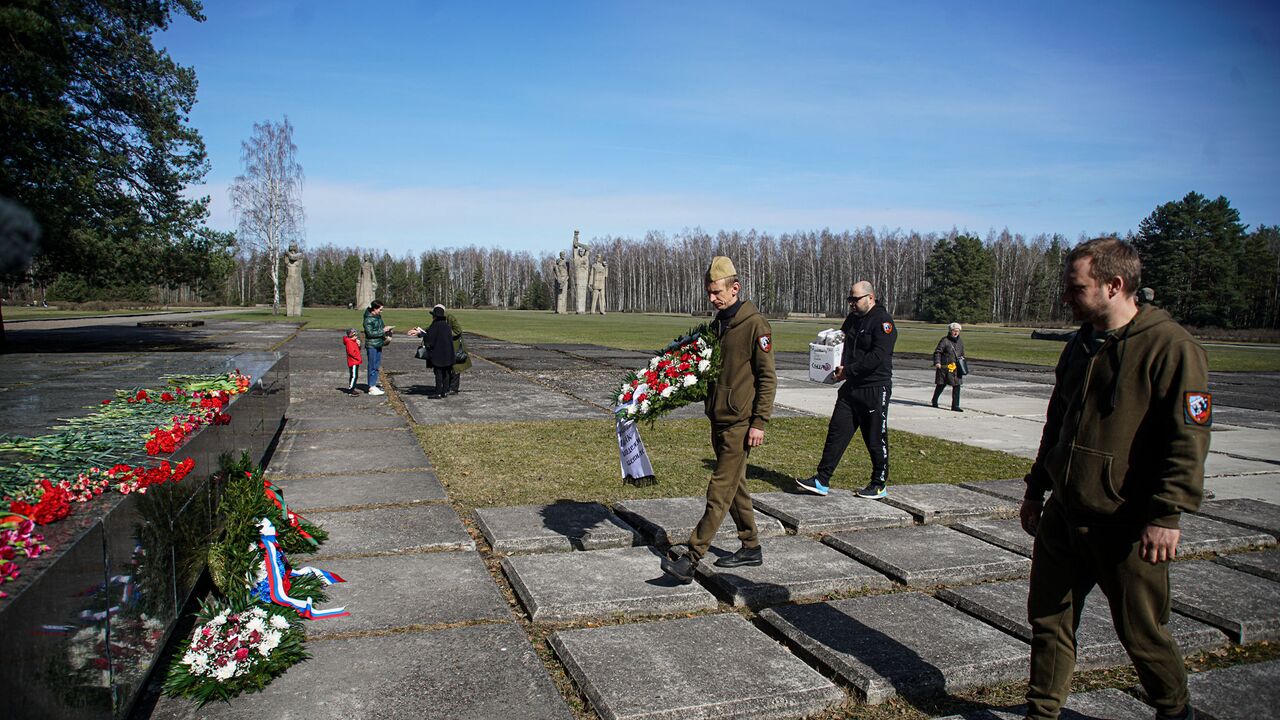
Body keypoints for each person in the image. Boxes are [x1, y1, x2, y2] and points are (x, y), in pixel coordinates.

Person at [1019, 237, 1209, 720]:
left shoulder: (1171, 347)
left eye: (1076, 288)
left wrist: (1167, 514)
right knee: (1048, 621)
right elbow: (1057, 422)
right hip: (1065, 513)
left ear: (1114, 285)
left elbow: (1187, 439)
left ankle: (1175, 710)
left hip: (1126, 522)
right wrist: (1037, 488)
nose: (1066, 297)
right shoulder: (1080, 344)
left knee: (1142, 634)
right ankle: (1043, 712)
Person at [660, 256, 776, 583]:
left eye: (717, 292)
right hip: (719, 417)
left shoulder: (756, 326)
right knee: (734, 486)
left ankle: (692, 557)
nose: (712, 299)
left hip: (741, 422)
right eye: (709, 293)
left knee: (719, 489)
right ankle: (751, 546)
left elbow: (768, 379)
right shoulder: (718, 324)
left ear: (735, 288)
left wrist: (759, 423)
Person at [796, 280, 897, 499]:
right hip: (850, 387)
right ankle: (822, 479)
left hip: (873, 388)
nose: (851, 303)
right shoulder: (852, 319)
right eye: (849, 299)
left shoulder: (883, 322)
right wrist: (823, 354)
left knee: (874, 437)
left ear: (870, 298)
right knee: (837, 432)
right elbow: (839, 344)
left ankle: (879, 483)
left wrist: (848, 370)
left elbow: (877, 357)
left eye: (855, 299)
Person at [412, 305, 456, 399]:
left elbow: (430, 340)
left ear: (435, 316)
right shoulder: (446, 325)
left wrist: (421, 334)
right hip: (448, 353)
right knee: (447, 373)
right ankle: (445, 391)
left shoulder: (435, 325)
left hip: (438, 354)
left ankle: (438, 392)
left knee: (438, 373)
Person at [931, 322, 966, 412]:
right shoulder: (945, 340)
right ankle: (934, 400)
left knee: (957, 386)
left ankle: (955, 405)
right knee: (941, 385)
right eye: (954, 331)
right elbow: (938, 352)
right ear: (950, 331)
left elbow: (962, 353)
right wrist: (937, 362)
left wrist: (962, 360)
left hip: (956, 368)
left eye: (957, 331)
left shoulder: (960, 341)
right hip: (944, 368)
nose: (956, 333)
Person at [362, 300, 392, 396]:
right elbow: (370, 334)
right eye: (380, 309)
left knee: (376, 365)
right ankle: (371, 387)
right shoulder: (368, 319)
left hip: (379, 344)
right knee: (372, 365)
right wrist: (382, 331)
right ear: (374, 309)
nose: (381, 311)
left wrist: (387, 329)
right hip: (372, 345)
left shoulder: (378, 317)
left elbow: (381, 327)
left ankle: (373, 384)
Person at [447, 311, 471, 394]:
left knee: (455, 368)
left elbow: (458, 330)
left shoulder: (450, 318)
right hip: (448, 348)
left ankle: (453, 389)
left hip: (455, 348)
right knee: (449, 368)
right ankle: (449, 387)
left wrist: (446, 334)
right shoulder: (441, 320)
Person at [343, 328, 362, 395]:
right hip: (353, 361)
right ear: (351, 336)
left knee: (354, 375)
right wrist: (358, 358)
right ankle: (351, 390)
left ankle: (352, 388)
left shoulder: (353, 341)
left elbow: (357, 350)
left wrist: (358, 345)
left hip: (355, 361)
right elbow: (351, 353)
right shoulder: (349, 342)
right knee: (354, 376)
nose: (356, 336)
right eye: (355, 335)